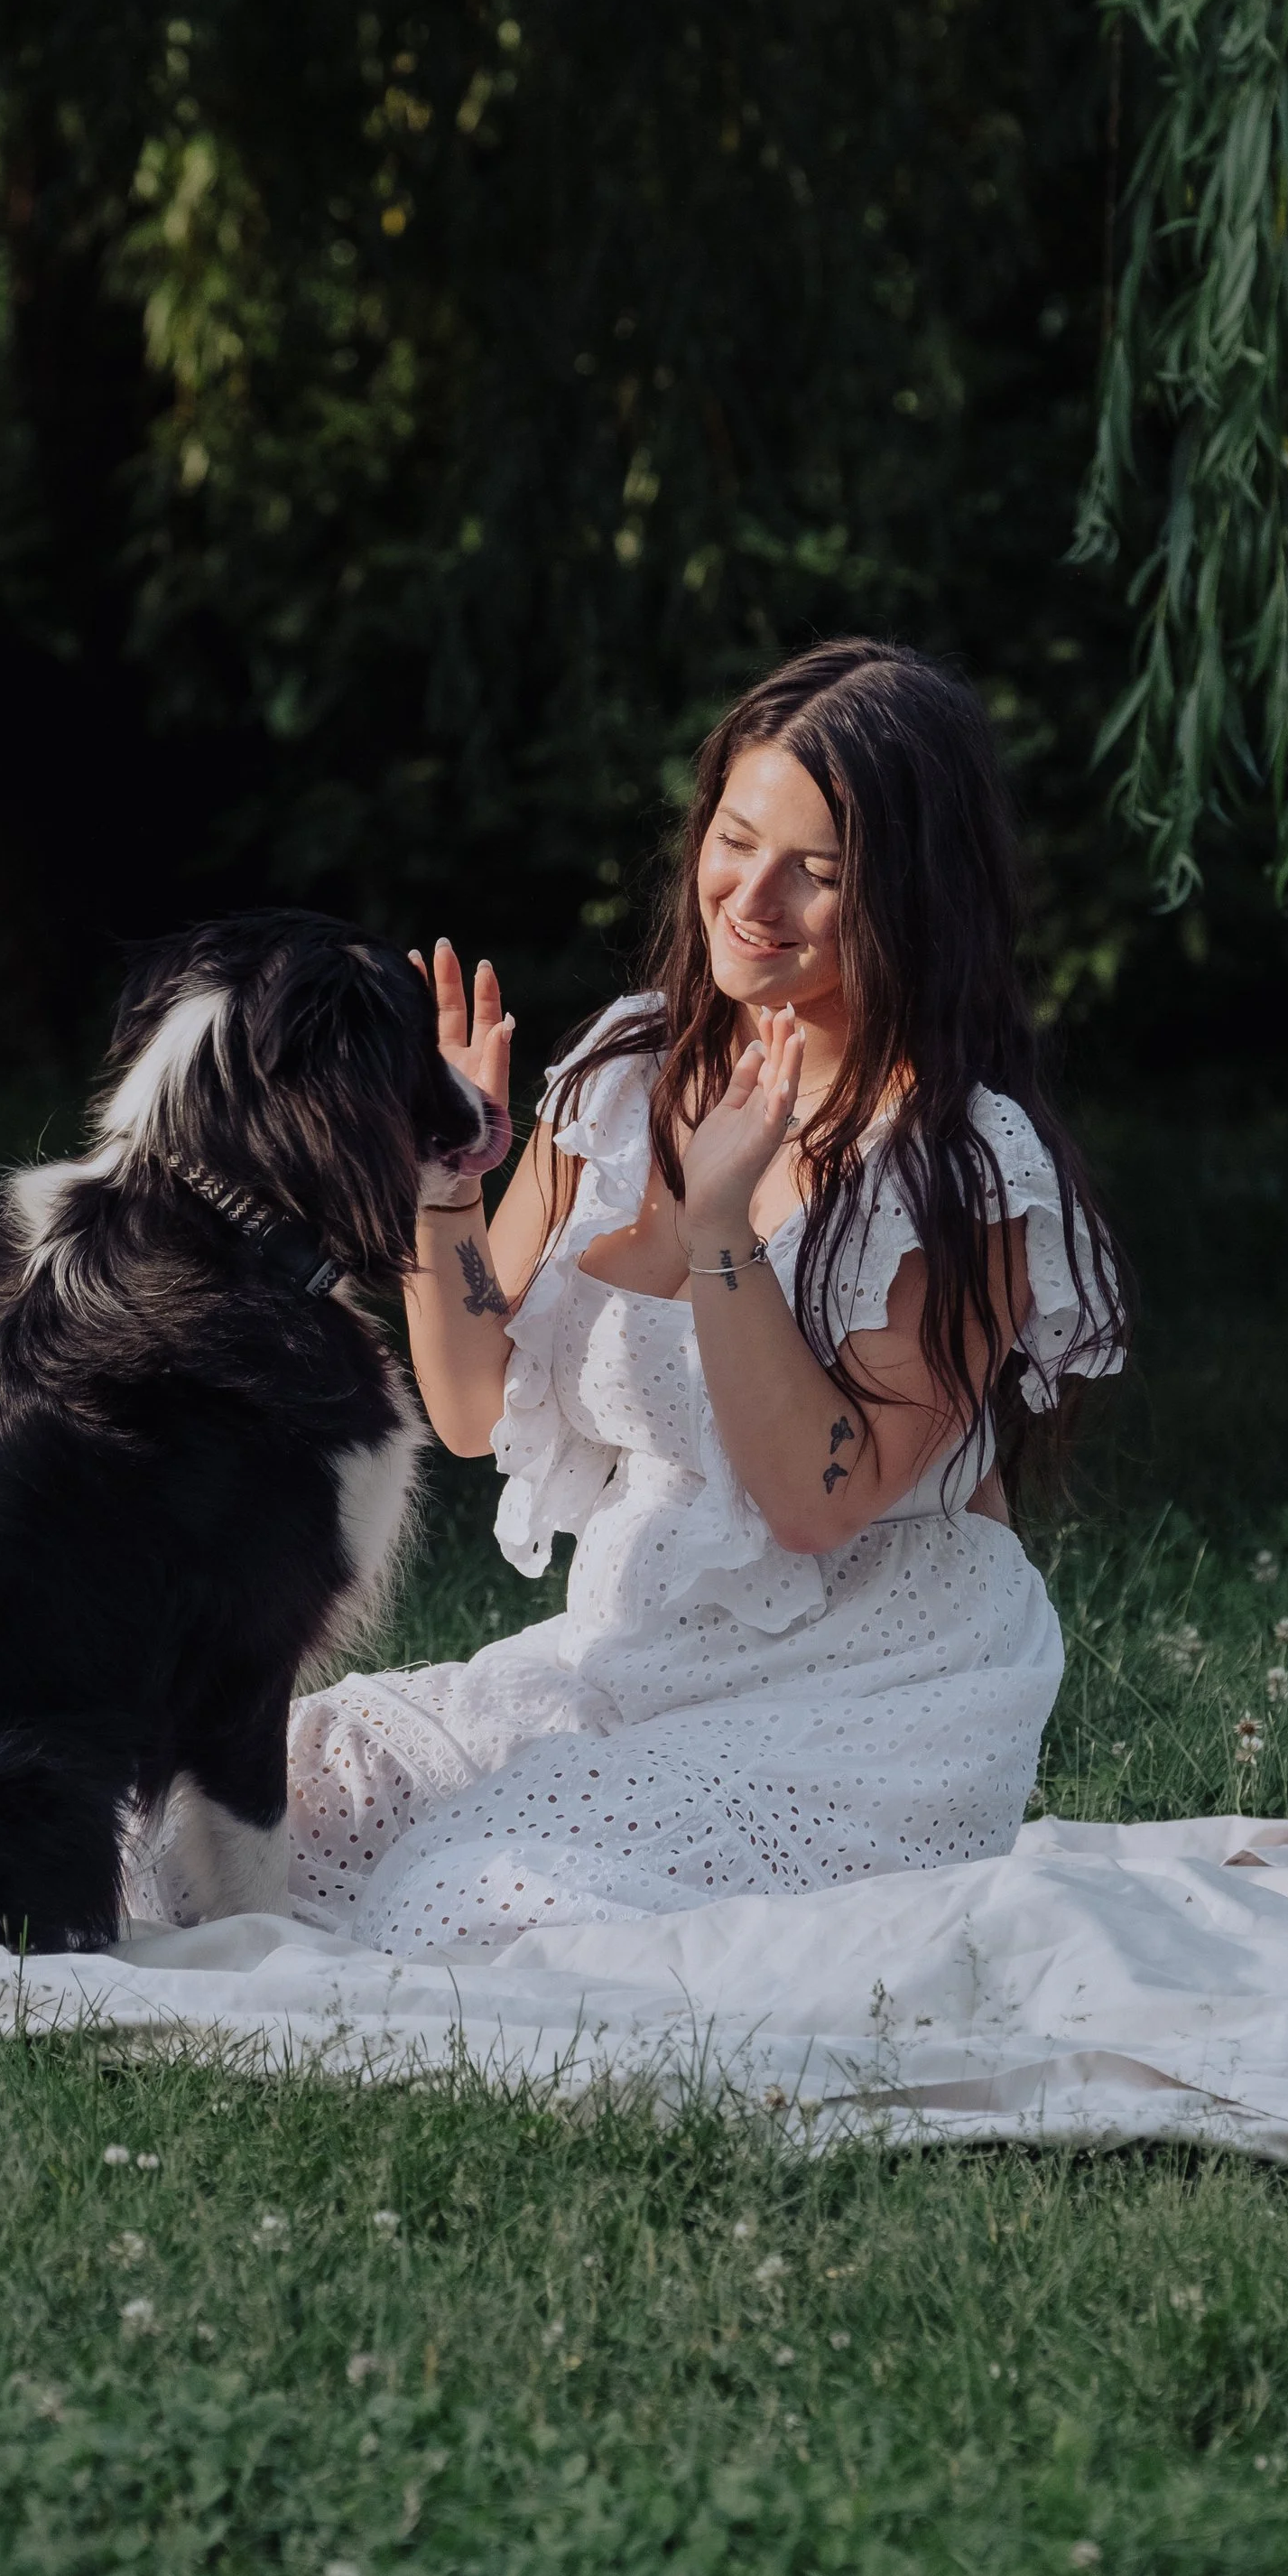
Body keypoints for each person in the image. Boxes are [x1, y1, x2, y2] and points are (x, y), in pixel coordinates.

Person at [282, 636, 1127, 1956]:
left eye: (820, 872)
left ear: (914, 897)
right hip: (631, 1662)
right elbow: (466, 1406)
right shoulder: (625, 1071)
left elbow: (813, 1502)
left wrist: (726, 1227)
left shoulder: (960, 1169)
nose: (754, 896)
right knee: (254, 1789)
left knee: (465, 1895)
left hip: (871, 1697)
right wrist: (448, 1182)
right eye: (736, 838)